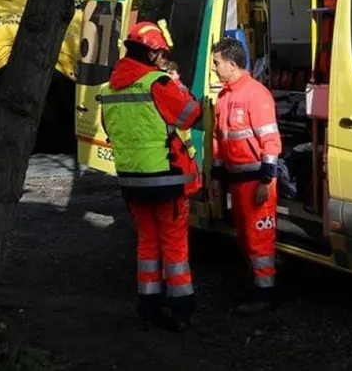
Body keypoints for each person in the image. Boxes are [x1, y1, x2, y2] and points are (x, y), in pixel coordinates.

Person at [99, 21, 202, 332]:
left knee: (147, 244)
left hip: (130, 181)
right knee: (174, 247)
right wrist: (182, 89)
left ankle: (148, 306)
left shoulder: (108, 88)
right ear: (154, 52)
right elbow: (190, 115)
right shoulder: (157, 83)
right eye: (161, 54)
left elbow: (109, 129)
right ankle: (181, 308)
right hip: (166, 179)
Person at [210, 37, 286, 313]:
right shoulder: (225, 96)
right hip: (238, 181)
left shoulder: (256, 94)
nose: (214, 69)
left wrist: (266, 180)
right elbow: (220, 140)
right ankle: (259, 285)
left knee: (259, 239)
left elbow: (271, 141)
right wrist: (218, 176)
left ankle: (267, 294)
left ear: (232, 64)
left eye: (217, 63)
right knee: (244, 237)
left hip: (256, 181)